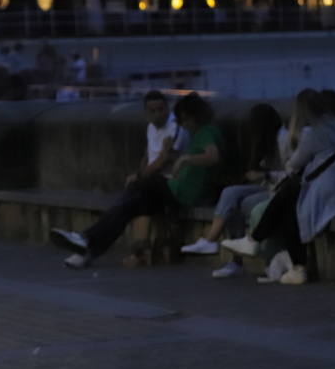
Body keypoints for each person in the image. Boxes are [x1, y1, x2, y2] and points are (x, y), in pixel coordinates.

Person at [50, 93, 223, 269]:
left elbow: (213, 156)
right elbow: (149, 155)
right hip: (175, 191)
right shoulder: (200, 132)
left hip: (179, 192)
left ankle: (86, 239)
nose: (184, 125)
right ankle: (88, 250)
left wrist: (185, 159)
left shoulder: (205, 132)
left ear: (195, 117)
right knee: (128, 207)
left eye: (186, 120)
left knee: (138, 186)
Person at [228, 89, 335, 285]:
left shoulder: (313, 133)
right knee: (291, 196)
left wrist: (296, 129)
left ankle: (280, 255)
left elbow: (293, 165)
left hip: (329, 193)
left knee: (290, 199)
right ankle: (278, 254)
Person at [181, 103, 289, 278]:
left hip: (280, 189)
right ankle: (211, 242)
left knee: (243, 204)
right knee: (229, 193)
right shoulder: (265, 142)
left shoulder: (282, 139)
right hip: (268, 185)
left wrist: (266, 174)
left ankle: (235, 260)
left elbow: (292, 174)